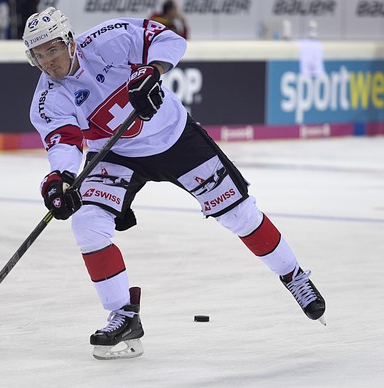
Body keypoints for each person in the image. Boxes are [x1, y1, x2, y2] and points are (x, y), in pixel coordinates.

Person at [23, 7, 326, 360]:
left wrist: (154, 70)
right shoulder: (47, 99)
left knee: (239, 215)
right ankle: (123, 314)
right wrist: (60, 180)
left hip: (175, 138)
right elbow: (65, 143)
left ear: (70, 41)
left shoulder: (110, 38)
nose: (48, 61)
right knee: (88, 224)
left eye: (53, 49)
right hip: (116, 154)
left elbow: (169, 40)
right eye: (38, 55)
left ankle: (293, 276)